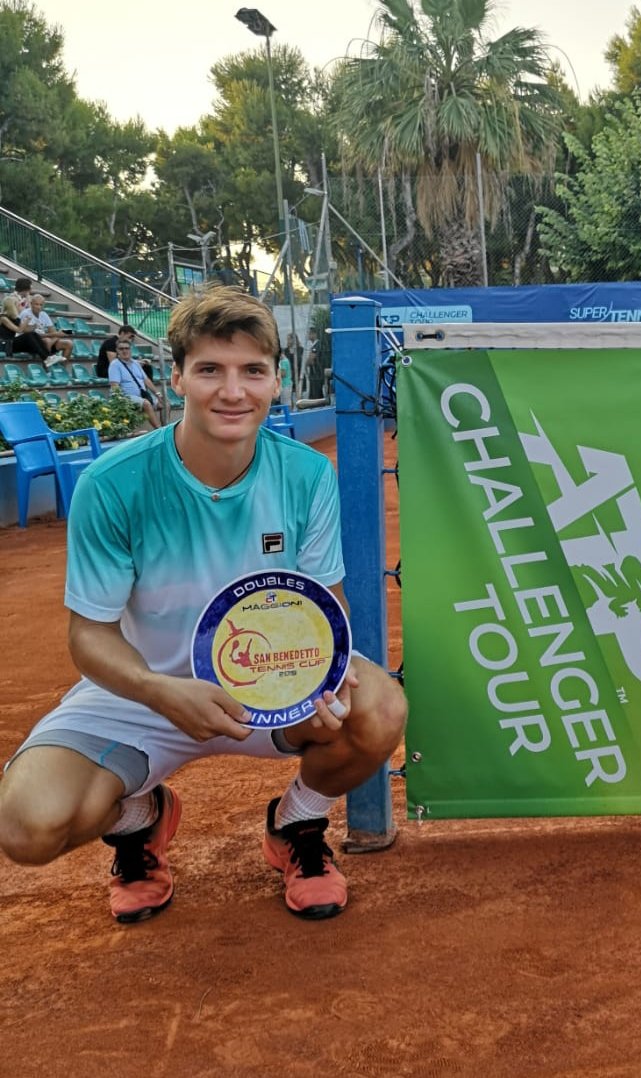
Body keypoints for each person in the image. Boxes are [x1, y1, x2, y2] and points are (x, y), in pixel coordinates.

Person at [0, 285, 407, 923]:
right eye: (210, 369)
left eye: (253, 371)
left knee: (378, 708)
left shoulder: (306, 475)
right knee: (26, 827)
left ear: (277, 382)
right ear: (177, 377)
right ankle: (140, 819)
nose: (233, 391)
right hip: (141, 693)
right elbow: (89, 636)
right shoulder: (112, 484)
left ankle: (297, 827)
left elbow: (322, 604)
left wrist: (320, 684)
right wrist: (159, 692)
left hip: (269, 689)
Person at [108, 338, 162, 428]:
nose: (124, 351)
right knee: (146, 403)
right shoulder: (115, 365)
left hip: (142, 395)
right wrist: (121, 400)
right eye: (121, 349)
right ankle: (160, 430)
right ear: (117, 351)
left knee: (165, 403)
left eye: (127, 348)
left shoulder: (136, 363)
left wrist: (158, 394)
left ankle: (166, 428)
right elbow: (114, 386)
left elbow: (146, 380)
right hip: (126, 397)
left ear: (130, 349)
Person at [0, 277, 48, 359]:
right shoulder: (3, 318)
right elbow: (19, 330)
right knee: (29, 336)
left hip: (12, 342)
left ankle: (48, 357)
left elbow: (23, 327)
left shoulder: (15, 317)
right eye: (16, 304)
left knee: (33, 334)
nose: (18, 305)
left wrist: (34, 326)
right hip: (5, 344)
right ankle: (46, 358)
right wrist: (27, 318)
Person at [18, 293, 74, 363]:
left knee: (69, 344)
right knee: (47, 341)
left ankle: (62, 371)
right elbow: (31, 336)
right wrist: (54, 336)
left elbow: (53, 332)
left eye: (41, 305)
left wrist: (57, 335)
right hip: (28, 344)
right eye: (36, 304)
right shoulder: (25, 314)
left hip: (44, 343)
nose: (39, 307)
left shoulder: (44, 315)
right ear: (31, 303)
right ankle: (47, 370)